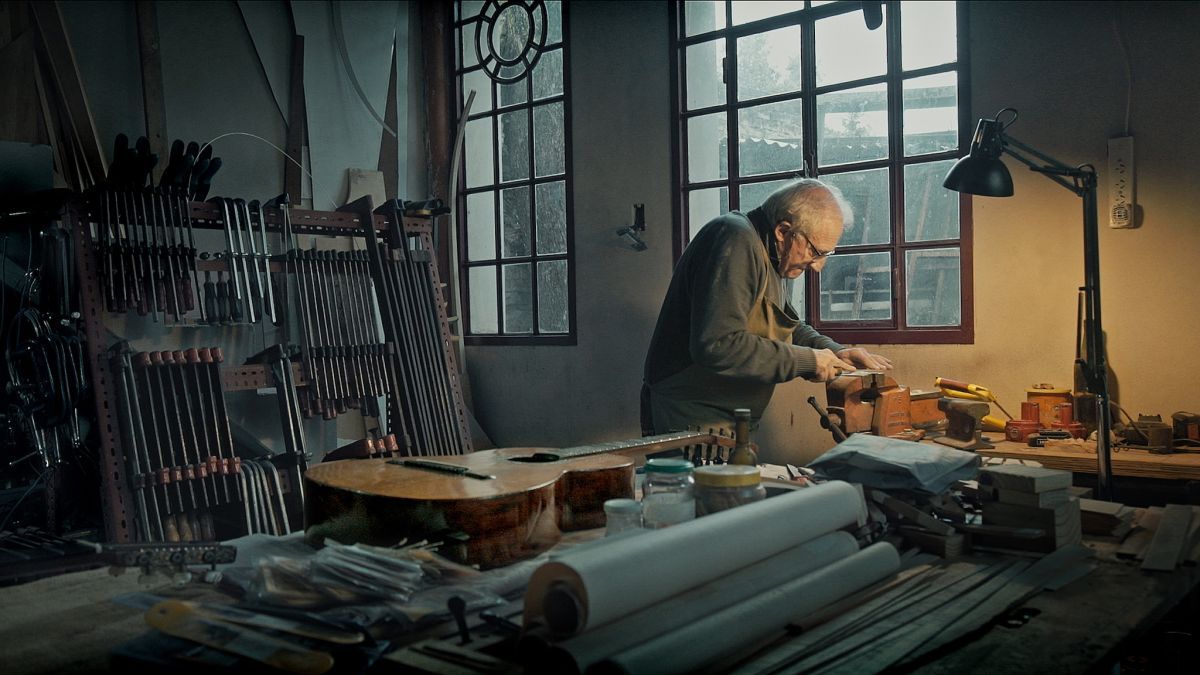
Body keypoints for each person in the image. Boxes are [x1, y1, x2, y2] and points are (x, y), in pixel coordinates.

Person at [641, 178, 893, 437]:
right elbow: (717, 345)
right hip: (689, 414)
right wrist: (809, 361)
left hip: (730, 417)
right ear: (783, 231)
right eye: (816, 252)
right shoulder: (735, 239)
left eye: (826, 255)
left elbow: (786, 327)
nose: (818, 266)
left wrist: (835, 351)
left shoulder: (779, 255)